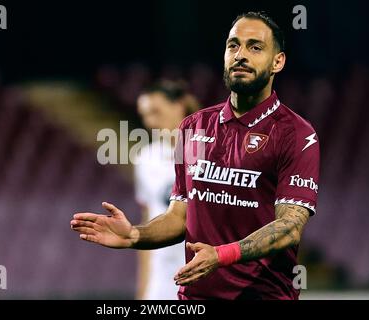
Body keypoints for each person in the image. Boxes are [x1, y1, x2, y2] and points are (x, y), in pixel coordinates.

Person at [71, 11, 320, 300]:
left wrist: (222, 255)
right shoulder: (192, 127)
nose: (240, 54)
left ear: (278, 61)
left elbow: (289, 228)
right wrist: (134, 235)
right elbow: (179, 217)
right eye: (233, 45)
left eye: (255, 47)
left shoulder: (297, 134)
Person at [134, 81, 199, 299]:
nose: (150, 121)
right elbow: (148, 218)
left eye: (156, 112)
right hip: (162, 278)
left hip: (202, 271)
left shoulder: (212, 152)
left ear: (179, 106)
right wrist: (144, 288)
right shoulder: (146, 158)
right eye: (145, 115)